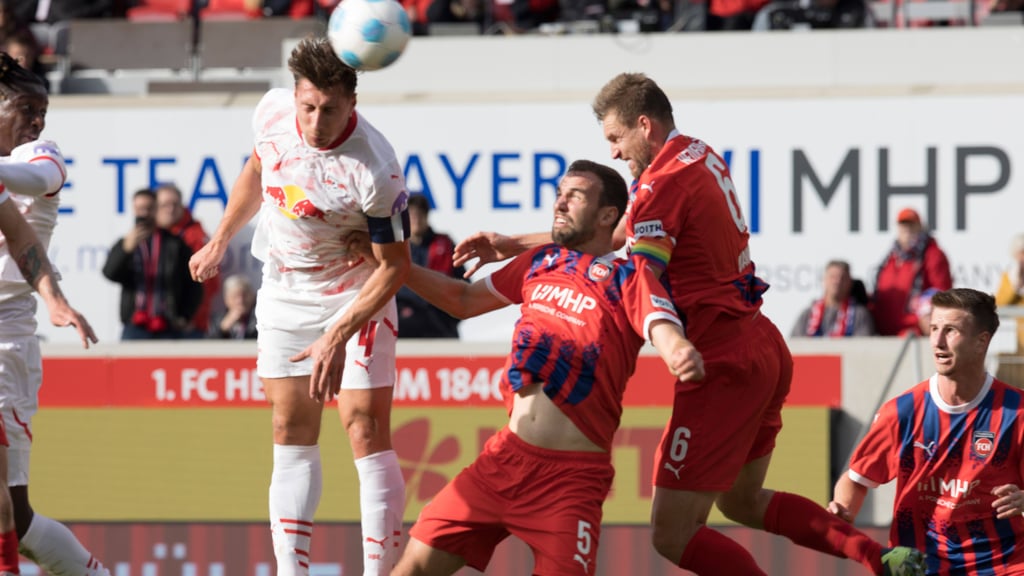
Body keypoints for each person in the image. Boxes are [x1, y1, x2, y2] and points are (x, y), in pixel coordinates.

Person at [453, 72, 925, 575]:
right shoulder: (696, 153)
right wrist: (515, 244)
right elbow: (621, 233)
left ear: (644, 125)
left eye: (615, 138)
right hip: (762, 344)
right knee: (742, 500)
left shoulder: (661, 184)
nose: (613, 152)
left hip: (720, 361)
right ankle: (878, 557)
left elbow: (641, 275)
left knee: (671, 534)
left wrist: (589, 305)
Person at [355, 159, 702, 575]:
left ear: (608, 215)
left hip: (570, 483)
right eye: (559, 193)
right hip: (503, 460)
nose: (560, 202)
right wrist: (395, 266)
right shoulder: (541, 260)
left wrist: (678, 349)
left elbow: (661, 326)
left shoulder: (628, 278)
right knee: (410, 568)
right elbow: (462, 300)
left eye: (576, 196)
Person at [188, 36, 411, 576]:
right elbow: (255, 171)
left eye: (330, 110)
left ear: (352, 103)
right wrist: (220, 239)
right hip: (285, 290)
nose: (316, 122)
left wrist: (336, 334)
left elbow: (394, 268)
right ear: (294, 96)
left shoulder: (377, 168)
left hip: (355, 291)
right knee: (289, 426)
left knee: (363, 426)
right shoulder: (271, 114)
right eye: (308, 107)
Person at [829, 288, 1024, 574]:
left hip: (1004, 565)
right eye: (934, 329)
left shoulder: (1017, 412)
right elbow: (857, 479)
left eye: (951, 330)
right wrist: (842, 510)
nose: (938, 341)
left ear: (981, 341)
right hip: (921, 565)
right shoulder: (902, 412)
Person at [0, 51, 101, 576]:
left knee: (14, 518)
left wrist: (55, 301)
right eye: (25, 109)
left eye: (42, 111)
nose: (37, 121)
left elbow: (37, 178)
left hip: (7, 335)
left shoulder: (41, 155)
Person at [102, 188, 202, 340]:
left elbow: (194, 285)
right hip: (135, 325)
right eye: (140, 209)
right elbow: (109, 273)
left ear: (156, 209)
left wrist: (184, 316)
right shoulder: (126, 243)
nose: (144, 214)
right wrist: (125, 250)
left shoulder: (175, 244)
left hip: (167, 325)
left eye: (148, 208)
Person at [871, 207, 953, 337]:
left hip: (914, 333)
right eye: (903, 224)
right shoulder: (891, 257)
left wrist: (925, 314)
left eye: (912, 224)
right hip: (885, 332)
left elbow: (942, 293)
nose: (907, 229)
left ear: (920, 226)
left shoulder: (932, 254)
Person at [155, 183, 220, 339]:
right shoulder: (150, 236)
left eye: (175, 204)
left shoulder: (195, 236)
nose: (170, 209)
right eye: (164, 205)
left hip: (188, 325)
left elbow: (208, 282)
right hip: (155, 323)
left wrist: (190, 316)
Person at [396, 194, 464, 339]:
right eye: (412, 216)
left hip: (440, 326)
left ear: (427, 216)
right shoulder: (396, 248)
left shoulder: (445, 245)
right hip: (405, 326)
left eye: (420, 215)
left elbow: (464, 285)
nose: (416, 220)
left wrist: (449, 317)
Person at [791, 259, 876, 338]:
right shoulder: (807, 315)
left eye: (842, 278)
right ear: (824, 280)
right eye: (833, 277)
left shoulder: (860, 315)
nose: (837, 282)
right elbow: (796, 344)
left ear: (850, 283)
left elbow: (863, 345)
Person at [995, 232, 1024, 353]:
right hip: (1018, 338)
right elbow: (1000, 303)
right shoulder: (1009, 277)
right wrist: (1016, 287)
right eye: (1021, 253)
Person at [208, 273, 257, 340]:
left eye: (245, 295)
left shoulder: (261, 318)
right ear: (226, 299)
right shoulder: (216, 320)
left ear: (252, 296)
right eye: (235, 296)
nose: (240, 301)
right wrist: (223, 329)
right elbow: (208, 343)